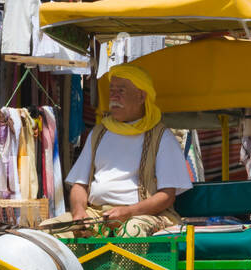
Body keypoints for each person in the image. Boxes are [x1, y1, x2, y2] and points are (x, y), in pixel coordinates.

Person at [43, 63, 193, 238]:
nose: (113, 95)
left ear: (141, 96)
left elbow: (167, 196)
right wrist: (78, 213)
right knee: (48, 231)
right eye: (112, 89)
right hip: (97, 215)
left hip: (145, 216)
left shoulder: (162, 138)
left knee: (131, 232)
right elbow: (79, 185)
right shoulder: (99, 133)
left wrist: (128, 212)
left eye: (121, 91)